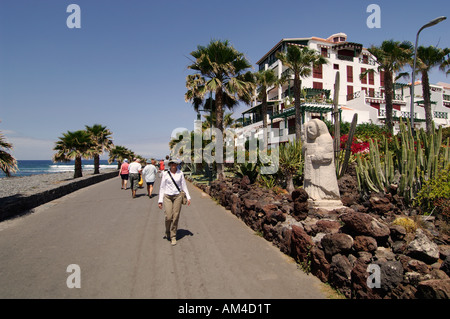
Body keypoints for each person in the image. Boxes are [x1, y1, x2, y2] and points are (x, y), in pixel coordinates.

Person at [158, 159, 191, 246]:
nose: (173, 165)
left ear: (177, 164)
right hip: (167, 196)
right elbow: (162, 187)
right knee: (169, 217)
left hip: (177, 196)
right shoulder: (165, 174)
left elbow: (183, 185)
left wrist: (188, 196)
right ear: (170, 164)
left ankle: (173, 236)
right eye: (172, 163)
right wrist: (160, 200)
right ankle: (167, 230)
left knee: (175, 216)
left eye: (175, 163)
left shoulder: (180, 173)